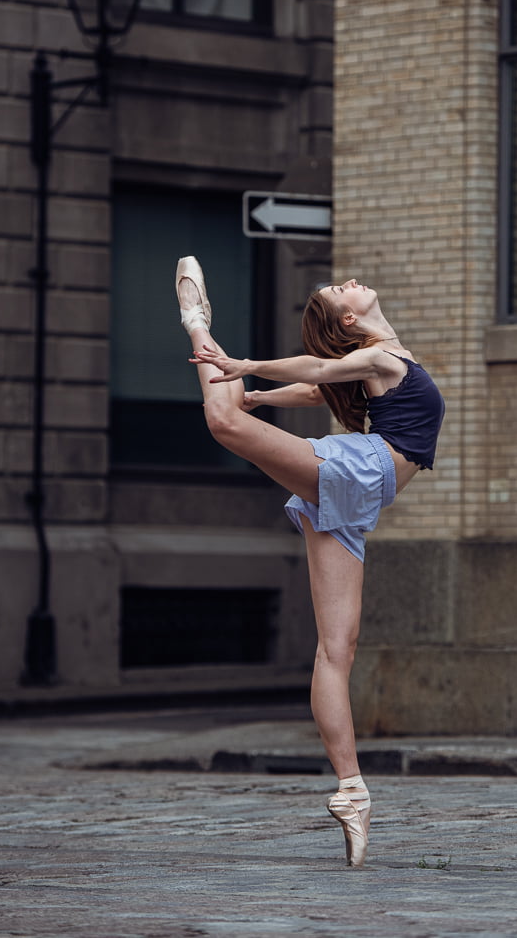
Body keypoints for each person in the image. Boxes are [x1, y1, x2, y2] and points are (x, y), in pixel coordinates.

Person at [176, 256, 445, 868]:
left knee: (335, 650)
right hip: (360, 471)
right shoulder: (379, 356)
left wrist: (259, 395)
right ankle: (197, 320)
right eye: (340, 288)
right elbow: (323, 369)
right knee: (222, 419)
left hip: (354, 499)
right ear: (351, 316)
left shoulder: (381, 358)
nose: (350, 279)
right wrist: (242, 369)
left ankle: (351, 791)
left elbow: (319, 385)